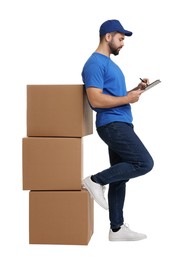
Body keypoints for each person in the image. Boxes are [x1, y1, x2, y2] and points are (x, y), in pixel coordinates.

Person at [81, 19, 154, 242]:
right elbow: (95, 100)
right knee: (144, 163)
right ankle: (94, 180)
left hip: (121, 122)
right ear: (108, 36)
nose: (123, 43)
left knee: (120, 177)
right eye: (121, 38)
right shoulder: (94, 63)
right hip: (112, 125)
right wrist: (126, 98)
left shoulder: (111, 65)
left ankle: (116, 229)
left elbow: (114, 97)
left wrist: (135, 91)